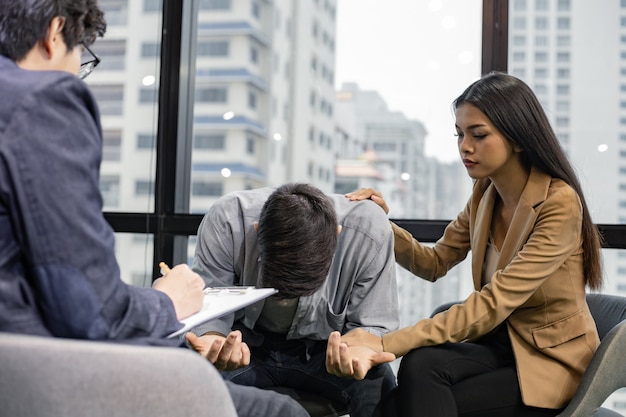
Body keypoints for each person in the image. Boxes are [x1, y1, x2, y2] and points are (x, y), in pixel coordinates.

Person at [0, 1, 311, 416]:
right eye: (82, 60)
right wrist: (168, 302)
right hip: (28, 369)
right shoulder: (41, 101)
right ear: (55, 32)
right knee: (281, 412)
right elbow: (90, 311)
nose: (77, 74)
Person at [328, 72, 604, 417]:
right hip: (501, 345)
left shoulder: (559, 203)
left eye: (478, 134)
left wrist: (384, 343)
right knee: (419, 366)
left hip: (551, 362)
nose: (465, 146)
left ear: (517, 138)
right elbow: (433, 263)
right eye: (459, 134)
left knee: (401, 403)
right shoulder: (485, 193)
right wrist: (379, 224)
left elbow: (494, 302)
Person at [187, 182, 399, 417]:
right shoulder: (227, 220)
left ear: (337, 235)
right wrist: (214, 342)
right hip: (245, 345)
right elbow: (211, 308)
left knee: (379, 384)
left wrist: (358, 349)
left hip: (326, 349)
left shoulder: (368, 231)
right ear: (258, 232)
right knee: (191, 375)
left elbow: (372, 323)